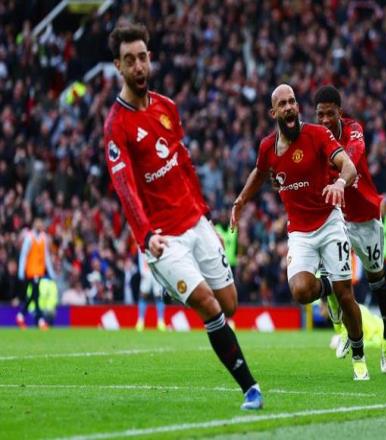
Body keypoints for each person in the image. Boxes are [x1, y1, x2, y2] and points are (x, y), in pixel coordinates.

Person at [104, 23, 262, 410]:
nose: (138, 66)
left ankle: (174, 290)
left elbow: (184, 163)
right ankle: (250, 388)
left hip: (195, 222)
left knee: (230, 304)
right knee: (209, 305)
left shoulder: (167, 108)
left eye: (142, 57)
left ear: (150, 59)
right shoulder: (116, 126)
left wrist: (205, 215)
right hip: (163, 238)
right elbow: (124, 188)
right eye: (129, 60)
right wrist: (146, 236)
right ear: (118, 67)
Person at [231, 84, 369, 380]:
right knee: (301, 291)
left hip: (330, 223)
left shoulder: (317, 134)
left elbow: (347, 165)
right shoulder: (268, 147)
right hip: (300, 233)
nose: (289, 107)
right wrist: (241, 200)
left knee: (347, 295)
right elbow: (259, 172)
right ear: (273, 113)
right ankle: (327, 288)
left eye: (292, 101)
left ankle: (358, 353)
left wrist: (339, 183)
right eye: (282, 104)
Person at [313, 85, 386, 373]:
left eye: (330, 113)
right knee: (332, 274)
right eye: (320, 114)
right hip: (338, 216)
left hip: (365, 216)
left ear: (340, 111)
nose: (325, 120)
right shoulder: (314, 136)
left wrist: (332, 172)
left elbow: (353, 157)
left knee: (376, 279)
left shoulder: (354, 129)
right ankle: (346, 328)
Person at [16, 217, 55, 329]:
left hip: (39, 271)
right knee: (35, 295)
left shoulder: (43, 238)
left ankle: (22, 316)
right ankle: (40, 320)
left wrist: (51, 272)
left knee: (34, 295)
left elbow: (46, 256)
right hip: (31, 271)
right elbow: (24, 255)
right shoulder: (29, 237)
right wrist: (21, 271)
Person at [136, 251, 167, 331]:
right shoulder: (141, 245)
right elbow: (140, 256)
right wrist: (142, 272)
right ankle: (140, 321)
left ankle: (160, 321)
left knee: (159, 297)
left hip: (156, 272)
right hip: (146, 272)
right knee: (143, 296)